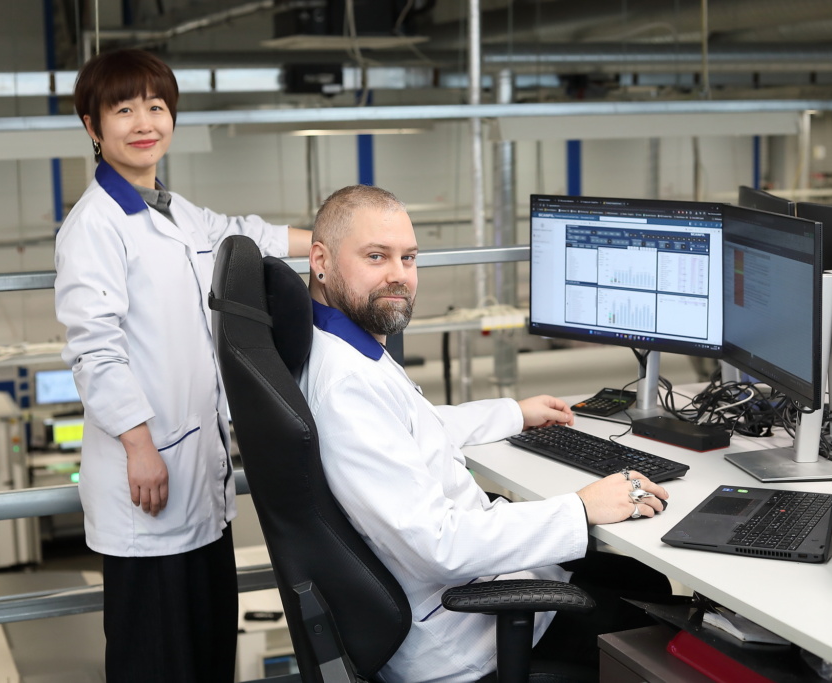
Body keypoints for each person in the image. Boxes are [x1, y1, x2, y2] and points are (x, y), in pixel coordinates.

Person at [298, 184, 672, 683]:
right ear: (320, 260)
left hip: (457, 590)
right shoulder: (346, 386)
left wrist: (511, 413)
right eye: (376, 256)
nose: (399, 275)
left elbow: (409, 429)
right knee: (659, 626)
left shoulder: (338, 343)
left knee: (638, 577)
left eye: (409, 258)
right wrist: (582, 508)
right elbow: (438, 546)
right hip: (461, 627)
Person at [53, 48, 310, 683]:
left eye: (157, 106)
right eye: (124, 109)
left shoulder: (175, 211)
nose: (144, 121)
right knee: (156, 661)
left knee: (206, 655)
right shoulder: (94, 226)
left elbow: (241, 234)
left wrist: (336, 242)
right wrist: (139, 444)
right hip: (148, 480)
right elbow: (94, 348)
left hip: (200, 487)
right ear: (93, 126)